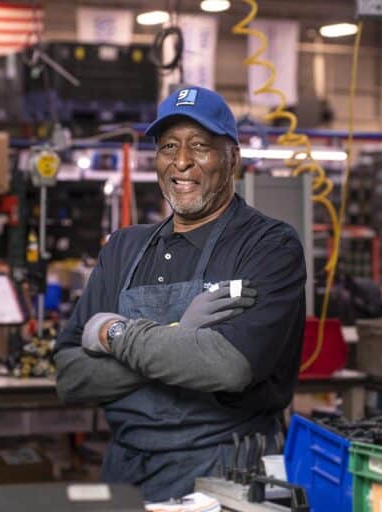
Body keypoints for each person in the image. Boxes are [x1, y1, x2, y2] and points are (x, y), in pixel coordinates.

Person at [54, 86, 307, 501]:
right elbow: (70, 377)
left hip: (225, 473)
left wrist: (113, 334)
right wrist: (179, 336)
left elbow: (228, 367)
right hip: (126, 472)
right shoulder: (123, 247)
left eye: (201, 146)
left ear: (232, 160)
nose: (182, 161)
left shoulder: (268, 246)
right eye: (169, 146)